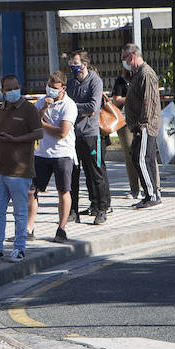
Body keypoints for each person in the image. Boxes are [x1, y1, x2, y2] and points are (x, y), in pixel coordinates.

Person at [0, 74, 43, 263]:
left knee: (20, 212)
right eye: (9, 89)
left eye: (16, 87)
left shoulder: (29, 109)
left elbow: (39, 133)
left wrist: (15, 140)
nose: (13, 91)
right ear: (2, 91)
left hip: (19, 170)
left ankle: (19, 248)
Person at [28, 72, 76, 242]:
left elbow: (62, 132)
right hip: (42, 153)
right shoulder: (42, 102)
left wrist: (42, 124)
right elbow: (32, 124)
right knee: (31, 190)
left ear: (63, 88)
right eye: (49, 86)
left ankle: (61, 229)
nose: (50, 90)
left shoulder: (69, 105)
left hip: (62, 153)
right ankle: (28, 228)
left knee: (63, 191)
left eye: (54, 87)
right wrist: (43, 110)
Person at [66, 49, 110, 224]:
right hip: (73, 135)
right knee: (73, 175)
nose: (72, 66)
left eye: (75, 63)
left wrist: (73, 108)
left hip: (90, 135)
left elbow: (92, 107)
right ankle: (73, 211)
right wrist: (77, 109)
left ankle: (102, 209)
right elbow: (65, 104)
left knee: (96, 173)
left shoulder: (95, 81)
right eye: (71, 63)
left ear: (84, 64)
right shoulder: (70, 83)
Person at [121, 44, 161, 209]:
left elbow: (148, 102)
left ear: (131, 56)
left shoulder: (146, 73)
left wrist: (141, 125)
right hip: (140, 125)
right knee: (141, 158)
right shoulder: (137, 74)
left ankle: (152, 195)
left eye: (124, 58)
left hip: (145, 126)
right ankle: (149, 193)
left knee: (142, 159)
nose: (124, 62)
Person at [109, 68, 141, 202]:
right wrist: (132, 99)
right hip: (125, 122)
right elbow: (116, 100)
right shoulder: (121, 81)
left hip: (142, 120)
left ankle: (154, 187)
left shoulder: (143, 76)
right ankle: (135, 188)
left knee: (146, 154)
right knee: (130, 154)